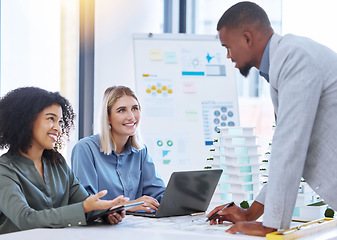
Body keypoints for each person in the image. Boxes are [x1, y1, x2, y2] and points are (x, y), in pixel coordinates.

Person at [207, 1, 337, 237]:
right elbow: (291, 151)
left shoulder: (294, 57)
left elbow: (290, 147)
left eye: (228, 46)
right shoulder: (285, 60)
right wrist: (250, 214)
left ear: (247, 38)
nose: (228, 55)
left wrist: (271, 225)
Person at [0, 87, 129, 234]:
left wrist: (107, 211)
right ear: (26, 120)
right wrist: (86, 208)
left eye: (60, 121)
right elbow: (25, 218)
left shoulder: (58, 162)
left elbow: (83, 203)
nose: (58, 128)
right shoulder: (4, 170)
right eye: (51, 119)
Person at [71, 86, 165, 213]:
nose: (131, 117)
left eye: (135, 108)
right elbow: (86, 204)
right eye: (122, 110)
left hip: (136, 227)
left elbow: (158, 193)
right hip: (99, 229)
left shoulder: (140, 151)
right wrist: (128, 205)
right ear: (108, 117)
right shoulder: (85, 149)